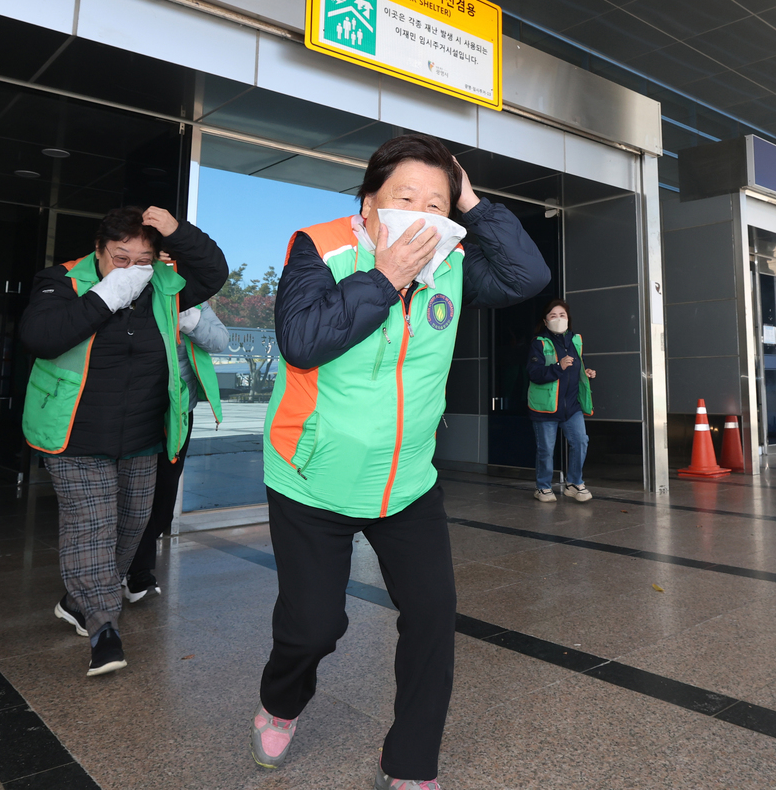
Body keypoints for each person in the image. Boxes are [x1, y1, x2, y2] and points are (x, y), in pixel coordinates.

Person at [252, 133, 549, 788]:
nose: (421, 212)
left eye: (435, 202)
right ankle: (281, 700)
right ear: (367, 205)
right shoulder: (322, 248)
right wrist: (385, 277)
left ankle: (411, 762)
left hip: (409, 484)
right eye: (404, 197)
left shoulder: (454, 263)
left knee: (434, 621)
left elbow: (529, 276)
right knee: (313, 626)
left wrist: (471, 199)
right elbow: (302, 342)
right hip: (311, 478)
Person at [20, 206, 227, 677]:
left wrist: (178, 231)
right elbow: (41, 336)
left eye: (143, 258)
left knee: (134, 524)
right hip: (76, 432)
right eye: (120, 257)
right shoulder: (62, 281)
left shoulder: (162, 287)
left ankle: (79, 600)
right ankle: (102, 627)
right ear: (98, 251)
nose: (132, 268)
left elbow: (213, 272)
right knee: (92, 524)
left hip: (140, 433)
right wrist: (106, 295)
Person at [124, 291, 229, 601]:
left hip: (178, 411)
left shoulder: (192, 300)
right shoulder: (131, 292)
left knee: (164, 493)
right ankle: (135, 572)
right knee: (132, 492)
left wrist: (187, 320)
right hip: (133, 410)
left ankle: (134, 567)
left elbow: (220, 340)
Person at [526, 299, 597, 503]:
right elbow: (535, 373)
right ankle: (543, 487)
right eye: (553, 316)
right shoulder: (539, 343)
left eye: (562, 315)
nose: (558, 319)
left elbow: (576, 368)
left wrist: (586, 372)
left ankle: (574, 483)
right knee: (546, 449)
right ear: (545, 321)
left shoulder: (575, 340)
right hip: (546, 406)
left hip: (571, 405)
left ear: (568, 319)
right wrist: (558, 366)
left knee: (580, 441)